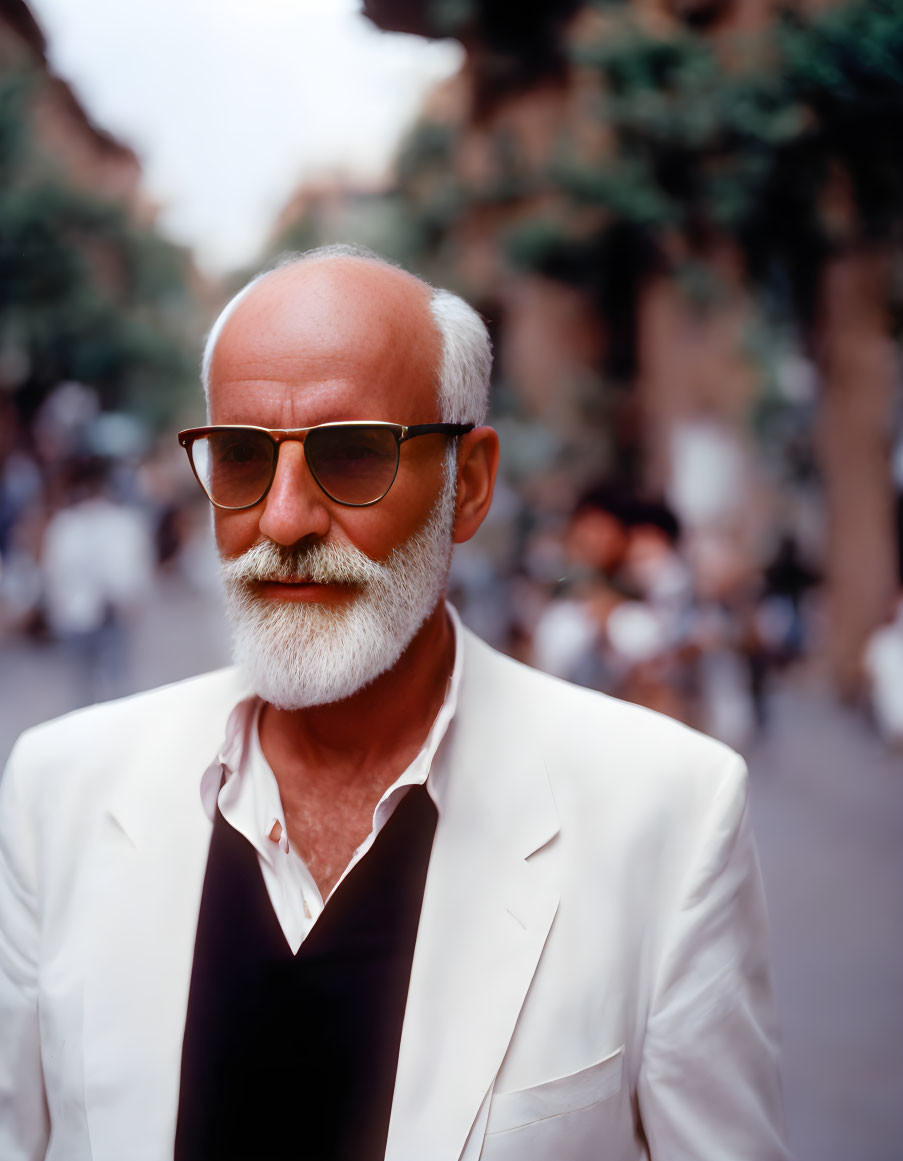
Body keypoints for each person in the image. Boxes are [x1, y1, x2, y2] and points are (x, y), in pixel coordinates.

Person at [0, 245, 788, 1161]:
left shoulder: (667, 813)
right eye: (244, 459)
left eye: (353, 454)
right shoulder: (60, 790)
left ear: (471, 484)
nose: (285, 518)